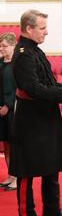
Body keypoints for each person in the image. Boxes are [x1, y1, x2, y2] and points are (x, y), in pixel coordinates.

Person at [9, 10, 62, 216]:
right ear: (29, 29)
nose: (46, 32)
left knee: (52, 164)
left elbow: (46, 82)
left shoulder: (35, 51)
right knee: (26, 169)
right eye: (42, 28)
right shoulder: (23, 53)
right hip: (30, 118)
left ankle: (52, 209)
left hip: (45, 115)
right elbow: (32, 88)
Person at [0, 33, 17, 191]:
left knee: (14, 143)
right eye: (0, 46)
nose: (1, 48)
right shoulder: (1, 62)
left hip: (13, 110)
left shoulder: (17, 64)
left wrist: (7, 105)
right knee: (5, 143)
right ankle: (10, 175)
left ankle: (17, 177)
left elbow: (18, 88)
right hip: (1, 110)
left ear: (13, 45)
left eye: (4, 46)